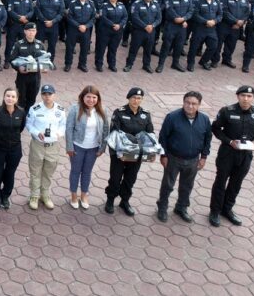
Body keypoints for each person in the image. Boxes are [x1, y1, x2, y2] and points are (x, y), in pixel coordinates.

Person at [208, 85, 254, 227]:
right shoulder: (227, 111)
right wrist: (229, 141)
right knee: (220, 182)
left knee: (236, 183)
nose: (246, 99)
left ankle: (227, 209)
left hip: (245, 155)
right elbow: (215, 128)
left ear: (253, 98)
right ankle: (215, 211)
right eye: (243, 96)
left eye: (249, 96)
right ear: (238, 96)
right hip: (227, 154)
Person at [156, 91, 212, 223]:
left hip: (193, 160)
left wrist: (203, 157)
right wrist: (163, 155)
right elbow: (163, 137)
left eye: (194, 104)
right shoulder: (172, 117)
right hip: (173, 158)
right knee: (168, 185)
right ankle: (162, 207)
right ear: (183, 102)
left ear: (199, 105)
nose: (190, 106)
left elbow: (207, 139)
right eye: (187, 102)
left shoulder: (204, 120)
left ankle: (181, 207)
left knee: (187, 186)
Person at [105, 87, 154, 216]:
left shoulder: (146, 114)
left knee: (130, 179)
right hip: (120, 153)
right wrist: (120, 151)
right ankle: (110, 199)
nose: (136, 101)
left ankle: (124, 201)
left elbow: (150, 134)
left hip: (137, 154)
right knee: (115, 178)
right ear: (128, 98)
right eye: (133, 98)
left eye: (139, 98)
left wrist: (151, 152)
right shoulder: (119, 112)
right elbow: (114, 133)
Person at [65, 86, 108, 210]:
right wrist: (69, 147)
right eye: (88, 97)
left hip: (93, 148)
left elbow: (106, 129)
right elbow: (69, 129)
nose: (91, 100)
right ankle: (74, 195)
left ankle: (84, 195)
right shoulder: (75, 109)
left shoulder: (102, 110)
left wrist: (102, 147)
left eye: (94, 97)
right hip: (77, 147)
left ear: (98, 98)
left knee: (87, 172)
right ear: (82, 97)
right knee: (75, 171)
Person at [25, 84, 66, 210]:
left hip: (53, 146)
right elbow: (29, 124)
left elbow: (63, 125)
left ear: (54, 95)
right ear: (41, 95)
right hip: (38, 145)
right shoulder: (34, 109)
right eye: (44, 94)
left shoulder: (60, 110)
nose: (47, 96)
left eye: (50, 94)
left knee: (48, 172)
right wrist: (37, 133)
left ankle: (45, 195)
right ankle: (34, 196)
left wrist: (59, 134)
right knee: (35, 172)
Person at [0, 87, 26, 209]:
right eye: (8, 96)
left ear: (17, 99)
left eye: (13, 96)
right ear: (4, 97)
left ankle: (5, 195)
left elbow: (21, 127)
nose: (10, 98)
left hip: (15, 149)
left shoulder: (21, 112)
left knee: (10, 173)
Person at [9, 22, 48, 112]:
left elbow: (45, 60)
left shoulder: (40, 45)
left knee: (32, 100)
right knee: (21, 99)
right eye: (29, 30)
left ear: (36, 32)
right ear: (25, 31)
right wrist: (18, 68)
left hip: (35, 77)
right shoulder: (18, 44)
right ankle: (20, 117)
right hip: (22, 77)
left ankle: (28, 116)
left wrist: (45, 67)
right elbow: (12, 60)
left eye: (33, 30)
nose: (31, 32)